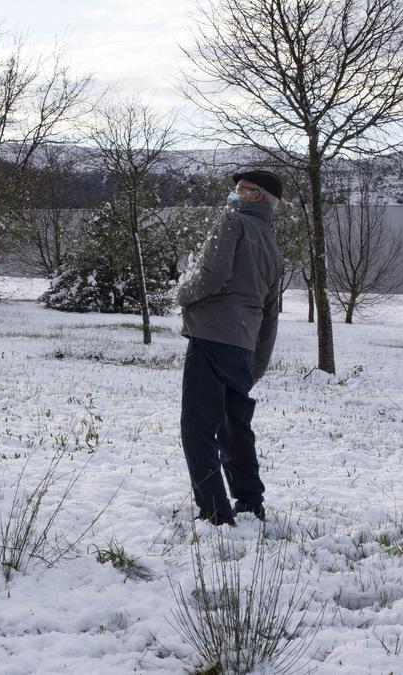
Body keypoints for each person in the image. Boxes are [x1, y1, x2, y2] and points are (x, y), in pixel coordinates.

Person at [176, 170, 284, 526]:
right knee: (235, 426)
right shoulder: (272, 247)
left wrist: (183, 295)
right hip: (243, 346)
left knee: (198, 427)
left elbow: (212, 273)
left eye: (244, 189)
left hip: (210, 336)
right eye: (236, 188)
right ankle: (251, 502)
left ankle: (214, 513)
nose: (235, 194)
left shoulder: (232, 221)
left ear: (259, 198)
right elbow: (270, 315)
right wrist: (256, 363)